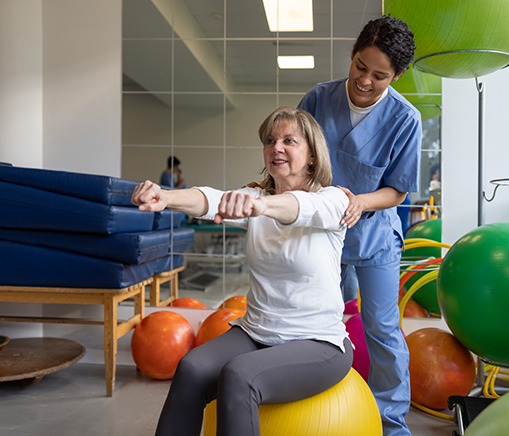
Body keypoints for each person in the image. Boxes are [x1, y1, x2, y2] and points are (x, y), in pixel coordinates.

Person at [131, 107, 353, 436]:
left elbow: (299, 208)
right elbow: (209, 198)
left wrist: (260, 207)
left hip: (318, 342)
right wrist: (165, 196)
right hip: (256, 333)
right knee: (191, 368)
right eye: (270, 140)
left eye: (289, 140)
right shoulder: (255, 197)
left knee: (240, 375)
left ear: (311, 156)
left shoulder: (333, 199)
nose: (276, 147)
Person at [298, 15, 421, 436]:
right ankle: (312, 401)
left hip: (373, 240)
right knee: (316, 318)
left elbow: (398, 191)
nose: (365, 81)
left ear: (397, 75)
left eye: (380, 76)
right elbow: (296, 161)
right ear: (352, 55)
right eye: (360, 67)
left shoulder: (406, 119)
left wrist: (359, 202)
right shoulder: (318, 98)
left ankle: (391, 422)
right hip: (321, 237)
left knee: (382, 327)